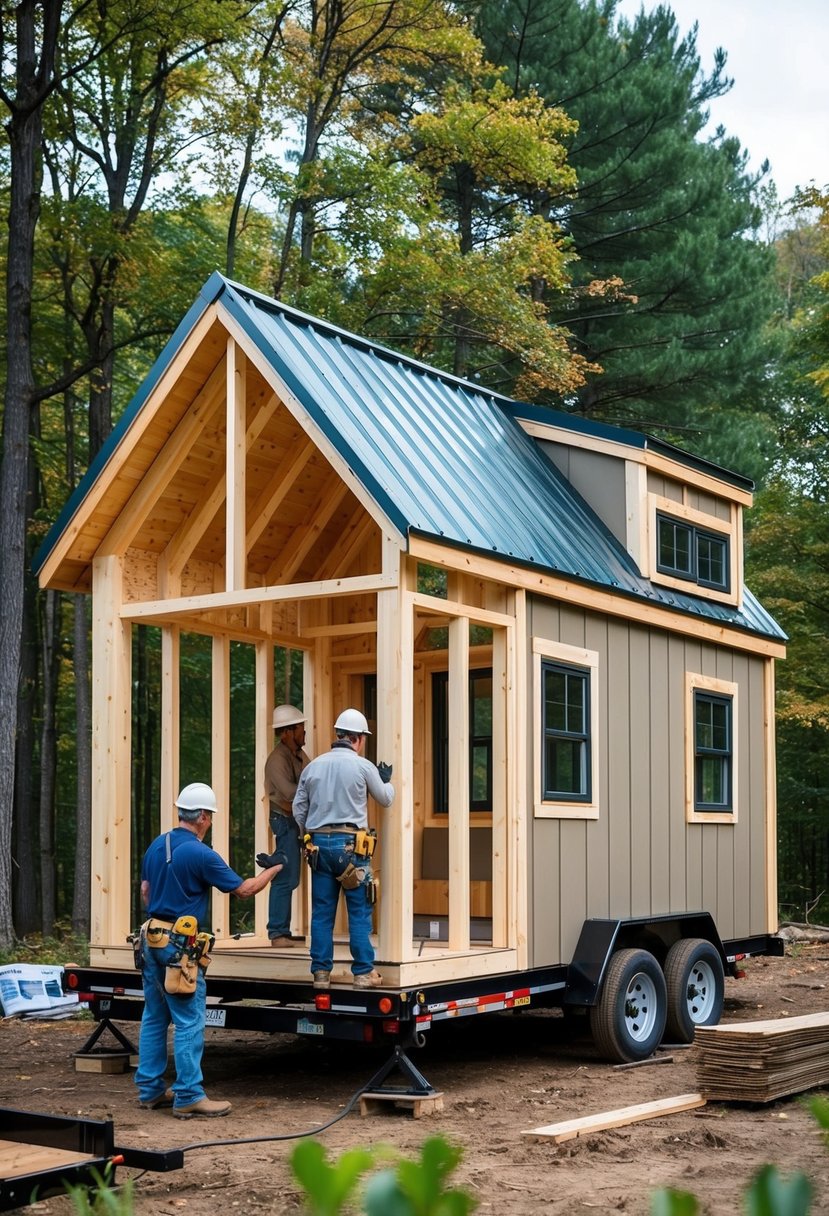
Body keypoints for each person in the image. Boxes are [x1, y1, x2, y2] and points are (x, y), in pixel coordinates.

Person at [134, 782, 282, 1119]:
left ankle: (150, 1090)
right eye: (210, 816)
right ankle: (188, 1094)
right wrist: (275, 869)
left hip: (151, 939)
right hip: (178, 947)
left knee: (154, 1016)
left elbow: (145, 891)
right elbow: (245, 890)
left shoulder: (158, 845)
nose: (211, 821)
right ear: (201, 816)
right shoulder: (201, 854)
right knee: (188, 1021)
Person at [292, 708, 394, 991]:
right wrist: (385, 780)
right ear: (358, 739)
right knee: (359, 911)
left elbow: (298, 809)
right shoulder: (362, 766)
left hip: (319, 847)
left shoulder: (314, 766)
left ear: (337, 735)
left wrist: (309, 832)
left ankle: (321, 974)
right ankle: (362, 974)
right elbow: (385, 799)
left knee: (322, 912)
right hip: (351, 848)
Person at [263, 704, 310, 946]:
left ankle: (282, 931)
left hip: (295, 821)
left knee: (292, 877)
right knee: (285, 876)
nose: (305, 732)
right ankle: (277, 933)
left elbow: (313, 779)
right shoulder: (277, 761)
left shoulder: (299, 756)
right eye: (301, 728)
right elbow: (292, 793)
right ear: (287, 732)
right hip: (284, 821)